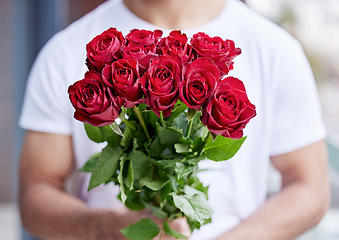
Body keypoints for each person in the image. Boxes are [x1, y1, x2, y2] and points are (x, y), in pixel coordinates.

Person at [18, 0, 330, 239]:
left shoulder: (275, 49)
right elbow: (36, 192)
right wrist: (109, 229)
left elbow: (311, 188)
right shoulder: (65, 51)